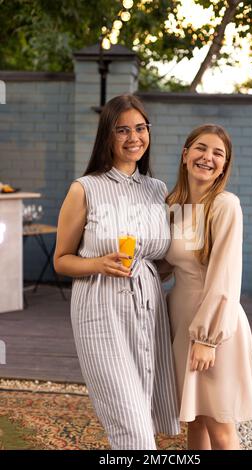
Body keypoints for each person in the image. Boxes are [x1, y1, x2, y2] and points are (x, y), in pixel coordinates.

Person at [53, 94, 180, 450]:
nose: (133, 137)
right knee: (132, 429)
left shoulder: (157, 191)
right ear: (106, 136)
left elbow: (162, 262)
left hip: (148, 312)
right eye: (122, 130)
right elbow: (61, 259)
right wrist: (97, 263)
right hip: (100, 309)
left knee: (144, 413)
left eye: (140, 128)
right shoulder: (85, 189)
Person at [160, 124, 252, 450]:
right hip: (181, 319)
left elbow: (225, 275)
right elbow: (170, 263)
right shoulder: (175, 204)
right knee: (195, 419)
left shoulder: (225, 205)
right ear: (185, 154)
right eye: (202, 148)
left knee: (220, 425)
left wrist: (207, 339)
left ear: (225, 165)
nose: (208, 157)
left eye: (218, 153)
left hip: (213, 328)